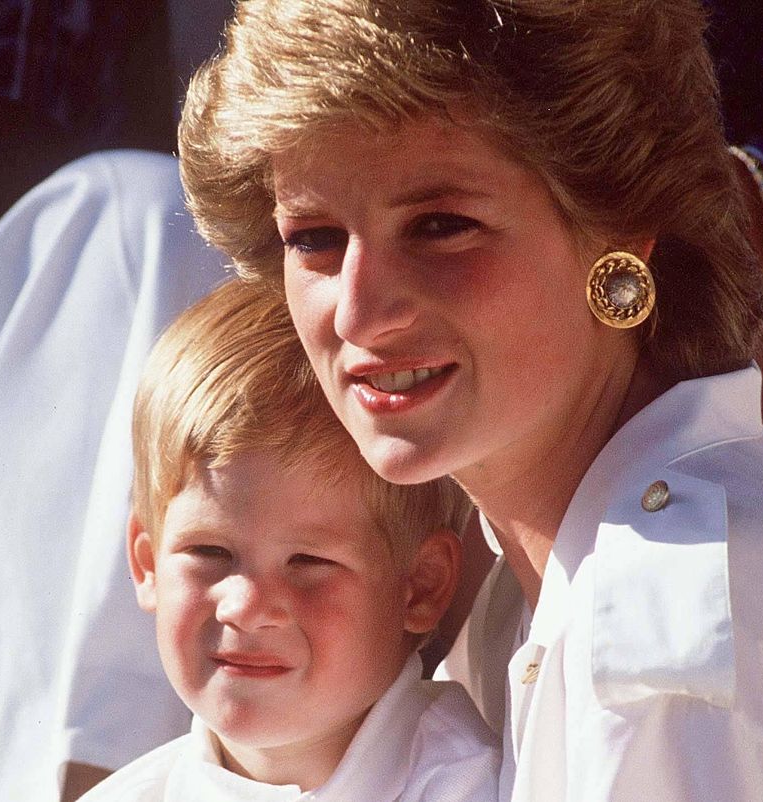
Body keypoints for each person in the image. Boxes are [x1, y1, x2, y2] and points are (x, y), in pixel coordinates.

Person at [178, 1, 763, 799]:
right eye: (313, 238)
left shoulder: (652, 623)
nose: (359, 312)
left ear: (618, 232)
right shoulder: (550, 580)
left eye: (440, 225)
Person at [80, 279, 500, 801]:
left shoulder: (478, 787)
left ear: (420, 585)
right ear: (147, 564)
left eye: (308, 560)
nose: (246, 606)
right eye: (208, 553)